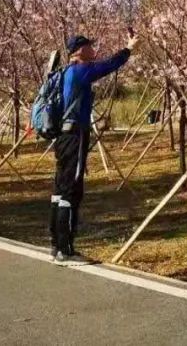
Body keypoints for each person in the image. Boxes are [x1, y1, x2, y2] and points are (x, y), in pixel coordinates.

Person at [50, 30, 137, 262]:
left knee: (60, 190)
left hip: (62, 137)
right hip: (75, 137)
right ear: (79, 50)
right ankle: (65, 250)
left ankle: (56, 244)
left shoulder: (65, 72)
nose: (93, 49)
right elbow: (109, 65)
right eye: (89, 45)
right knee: (71, 191)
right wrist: (128, 48)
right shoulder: (81, 70)